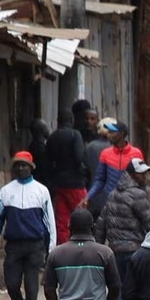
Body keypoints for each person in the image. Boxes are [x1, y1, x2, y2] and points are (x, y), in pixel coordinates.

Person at [0, 151, 57, 300]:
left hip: (35, 245)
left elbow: (50, 221)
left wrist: (51, 248)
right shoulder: (6, 191)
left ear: (31, 168)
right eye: (17, 165)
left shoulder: (42, 191)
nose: (21, 168)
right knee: (12, 285)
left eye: (24, 165)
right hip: (14, 246)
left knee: (32, 287)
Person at [98, 157, 150, 300]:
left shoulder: (113, 194)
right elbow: (148, 222)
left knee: (120, 290)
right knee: (134, 292)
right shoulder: (138, 195)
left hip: (114, 250)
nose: (145, 176)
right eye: (142, 173)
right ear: (133, 174)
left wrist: (98, 247)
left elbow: (101, 224)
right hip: (133, 249)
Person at [47, 100, 97, 244]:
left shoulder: (52, 137)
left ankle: (64, 248)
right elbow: (79, 157)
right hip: (76, 184)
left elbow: (48, 162)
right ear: (72, 119)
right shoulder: (75, 135)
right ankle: (84, 248)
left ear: (58, 120)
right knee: (83, 217)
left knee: (62, 221)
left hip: (59, 184)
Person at [84, 118, 139, 223]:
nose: (108, 134)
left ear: (121, 134)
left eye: (112, 132)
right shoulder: (105, 154)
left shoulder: (136, 153)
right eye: (108, 132)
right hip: (110, 204)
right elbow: (100, 180)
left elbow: (141, 180)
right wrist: (88, 197)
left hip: (131, 204)